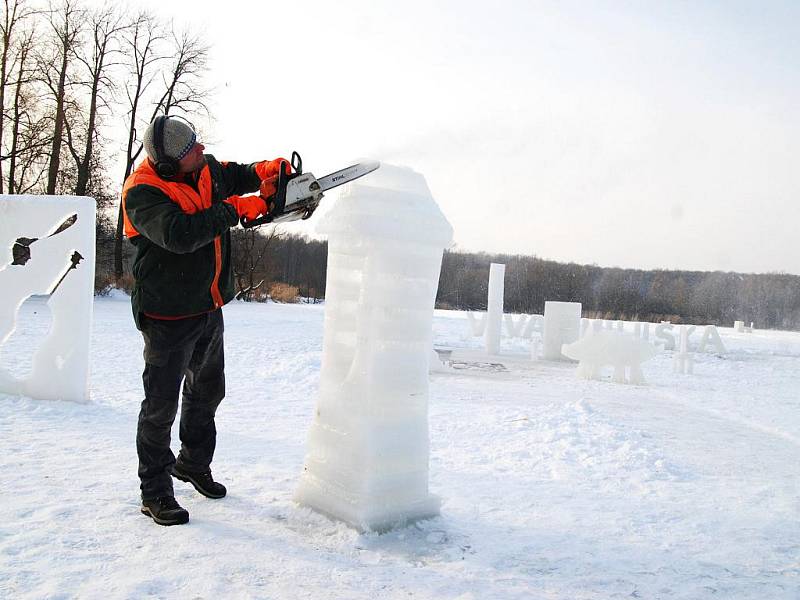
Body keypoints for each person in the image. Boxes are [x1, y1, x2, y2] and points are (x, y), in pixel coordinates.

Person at [122, 115, 289, 526]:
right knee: (160, 406)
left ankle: (193, 463)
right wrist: (232, 211)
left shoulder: (204, 167)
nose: (200, 151)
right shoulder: (143, 191)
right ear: (168, 162)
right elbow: (180, 234)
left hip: (207, 305)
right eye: (191, 149)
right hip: (166, 314)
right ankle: (155, 491)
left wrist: (266, 172)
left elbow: (237, 176)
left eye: (197, 145)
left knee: (207, 392)